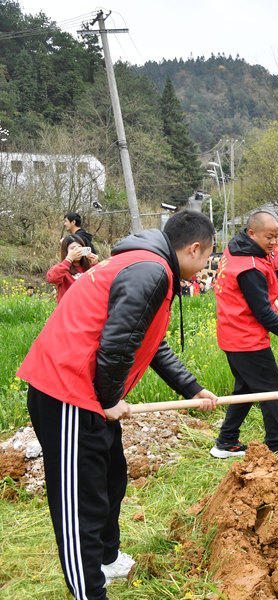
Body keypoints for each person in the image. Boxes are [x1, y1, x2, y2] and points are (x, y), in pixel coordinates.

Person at [17, 210, 219, 599]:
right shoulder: (151, 270)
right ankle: (89, 591)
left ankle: (107, 559)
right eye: (208, 258)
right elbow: (116, 345)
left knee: (112, 476)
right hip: (67, 391)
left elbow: (149, 342)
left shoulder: (146, 264)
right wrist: (108, 400)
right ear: (194, 248)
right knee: (81, 504)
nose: (205, 268)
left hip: (88, 390)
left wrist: (191, 389)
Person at [211, 211, 278, 458]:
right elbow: (263, 313)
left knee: (245, 388)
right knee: (273, 386)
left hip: (231, 332)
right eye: (269, 237)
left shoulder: (236, 249)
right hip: (245, 338)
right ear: (252, 233)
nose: (274, 242)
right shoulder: (249, 267)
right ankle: (276, 446)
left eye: (277, 236)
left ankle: (225, 442)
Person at [47, 233, 99, 302]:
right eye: (73, 248)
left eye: (80, 248)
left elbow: (99, 285)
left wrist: (95, 265)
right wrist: (68, 259)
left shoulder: (89, 268)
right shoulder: (62, 268)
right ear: (66, 251)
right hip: (67, 310)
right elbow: (52, 278)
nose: (77, 251)